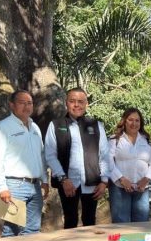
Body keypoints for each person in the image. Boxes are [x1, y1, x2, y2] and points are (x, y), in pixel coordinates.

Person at [45, 88, 111, 228]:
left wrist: (104, 181)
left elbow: (104, 154)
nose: (76, 105)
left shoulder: (96, 125)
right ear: (66, 103)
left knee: (89, 220)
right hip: (67, 183)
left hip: (92, 183)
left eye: (81, 102)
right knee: (70, 220)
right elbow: (50, 155)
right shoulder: (56, 125)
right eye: (72, 101)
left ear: (86, 104)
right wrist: (63, 179)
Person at [0, 90, 49, 237]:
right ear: (12, 105)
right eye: (22, 103)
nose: (26, 106)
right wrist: (2, 187)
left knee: (33, 230)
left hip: (35, 186)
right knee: (11, 230)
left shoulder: (34, 128)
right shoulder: (2, 128)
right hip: (13, 186)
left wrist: (45, 180)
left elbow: (40, 155)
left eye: (29, 103)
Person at [108, 108, 151, 223]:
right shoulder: (114, 140)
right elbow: (108, 162)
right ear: (124, 121)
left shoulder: (146, 141)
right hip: (120, 188)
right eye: (130, 120)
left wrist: (146, 179)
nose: (134, 123)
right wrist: (122, 179)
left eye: (137, 120)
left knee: (142, 224)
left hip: (141, 189)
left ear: (141, 123)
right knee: (120, 223)